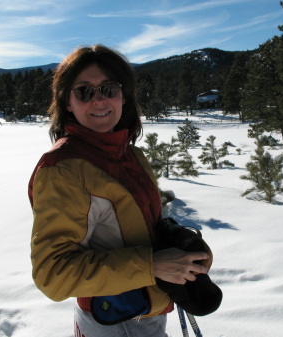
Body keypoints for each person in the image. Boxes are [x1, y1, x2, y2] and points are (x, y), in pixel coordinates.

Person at [28, 44, 209, 337]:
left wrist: (179, 246)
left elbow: (136, 229)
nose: (99, 100)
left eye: (109, 89)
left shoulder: (131, 155)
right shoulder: (63, 169)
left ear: (123, 96)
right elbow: (53, 274)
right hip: (113, 320)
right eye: (84, 91)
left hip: (148, 312)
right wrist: (151, 265)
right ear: (67, 103)